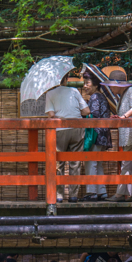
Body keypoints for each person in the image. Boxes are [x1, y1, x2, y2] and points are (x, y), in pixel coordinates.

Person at [45, 72, 91, 203]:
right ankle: (73, 196)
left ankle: (58, 196)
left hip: (59, 130)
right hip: (76, 128)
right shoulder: (74, 91)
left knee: (58, 163)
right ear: (66, 79)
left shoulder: (49, 94)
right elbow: (86, 111)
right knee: (75, 163)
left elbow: (51, 115)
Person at [103, 70, 132, 202]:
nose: (110, 88)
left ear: (117, 84)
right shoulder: (124, 94)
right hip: (130, 135)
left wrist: (124, 116)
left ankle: (120, 194)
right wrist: (120, 117)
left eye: (111, 85)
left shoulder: (131, 91)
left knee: (127, 164)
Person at [81, 71, 113, 201]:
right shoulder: (101, 97)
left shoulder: (94, 97)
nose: (85, 86)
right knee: (98, 163)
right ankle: (101, 191)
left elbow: (93, 116)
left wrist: (83, 114)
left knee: (91, 162)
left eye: (87, 83)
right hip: (104, 134)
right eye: (84, 83)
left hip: (95, 134)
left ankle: (91, 192)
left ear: (95, 85)